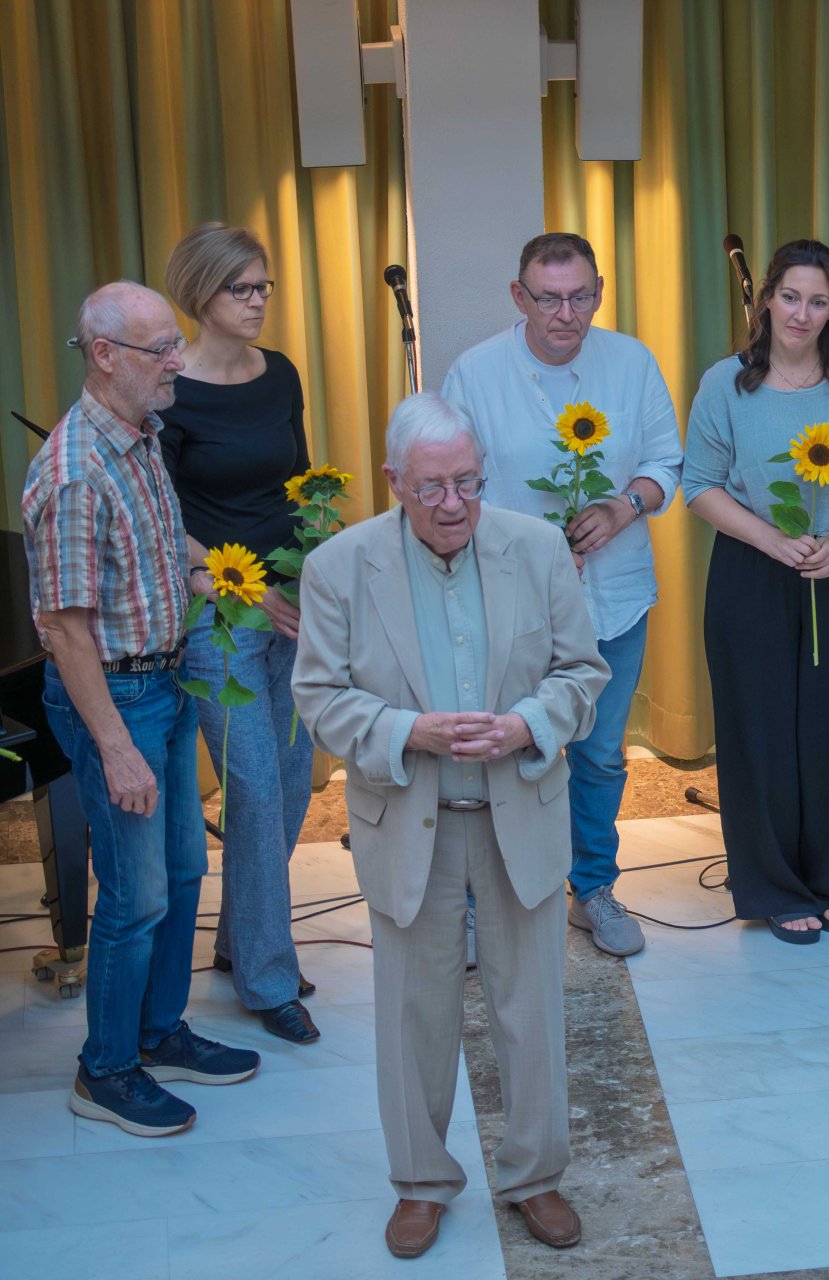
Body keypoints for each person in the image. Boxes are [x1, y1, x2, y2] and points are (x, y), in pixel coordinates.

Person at [291, 394, 610, 1259]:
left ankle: (535, 1176)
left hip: (521, 810)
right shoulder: (339, 566)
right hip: (409, 819)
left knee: (531, 1005)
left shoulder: (538, 549)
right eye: (432, 488)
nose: (454, 504)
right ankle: (421, 1183)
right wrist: (408, 732)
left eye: (468, 482)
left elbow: (583, 672)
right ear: (395, 482)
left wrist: (529, 724)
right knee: (413, 1012)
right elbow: (318, 700)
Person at [24, 282, 261, 1137]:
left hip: (162, 682)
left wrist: (219, 578)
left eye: (174, 345)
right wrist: (116, 748)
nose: (177, 362)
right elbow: (65, 630)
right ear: (103, 355)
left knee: (184, 873)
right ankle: (106, 1069)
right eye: (160, 350)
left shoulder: (141, 434)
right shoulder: (76, 471)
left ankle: (158, 1031)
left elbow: (162, 548)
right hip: (115, 696)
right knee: (133, 897)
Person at [441, 232, 681, 958]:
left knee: (602, 753)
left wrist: (624, 507)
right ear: (520, 297)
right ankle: (488, 901)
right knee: (503, 754)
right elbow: (451, 486)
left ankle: (594, 890)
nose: (565, 313)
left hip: (615, 599)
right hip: (509, 605)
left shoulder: (632, 362)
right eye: (549, 298)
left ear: (600, 292)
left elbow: (666, 460)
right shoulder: (475, 373)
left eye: (580, 296)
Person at [684, 240, 829, 941]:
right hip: (753, 571)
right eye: (789, 297)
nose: (802, 314)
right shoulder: (726, 383)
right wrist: (771, 539)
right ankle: (774, 888)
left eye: (817, 301)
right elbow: (699, 486)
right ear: (766, 300)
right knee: (760, 735)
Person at [159, 223, 319, 1045]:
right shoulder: (170, 389)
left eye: (264, 287)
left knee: (294, 784)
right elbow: (162, 516)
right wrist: (242, 587)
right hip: (219, 616)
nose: (258, 302)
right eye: (242, 290)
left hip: (292, 602)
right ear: (201, 297)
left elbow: (296, 482)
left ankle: (239, 940)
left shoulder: (281, 374)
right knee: (253, 789)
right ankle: (268, 980)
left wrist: (309, 563)